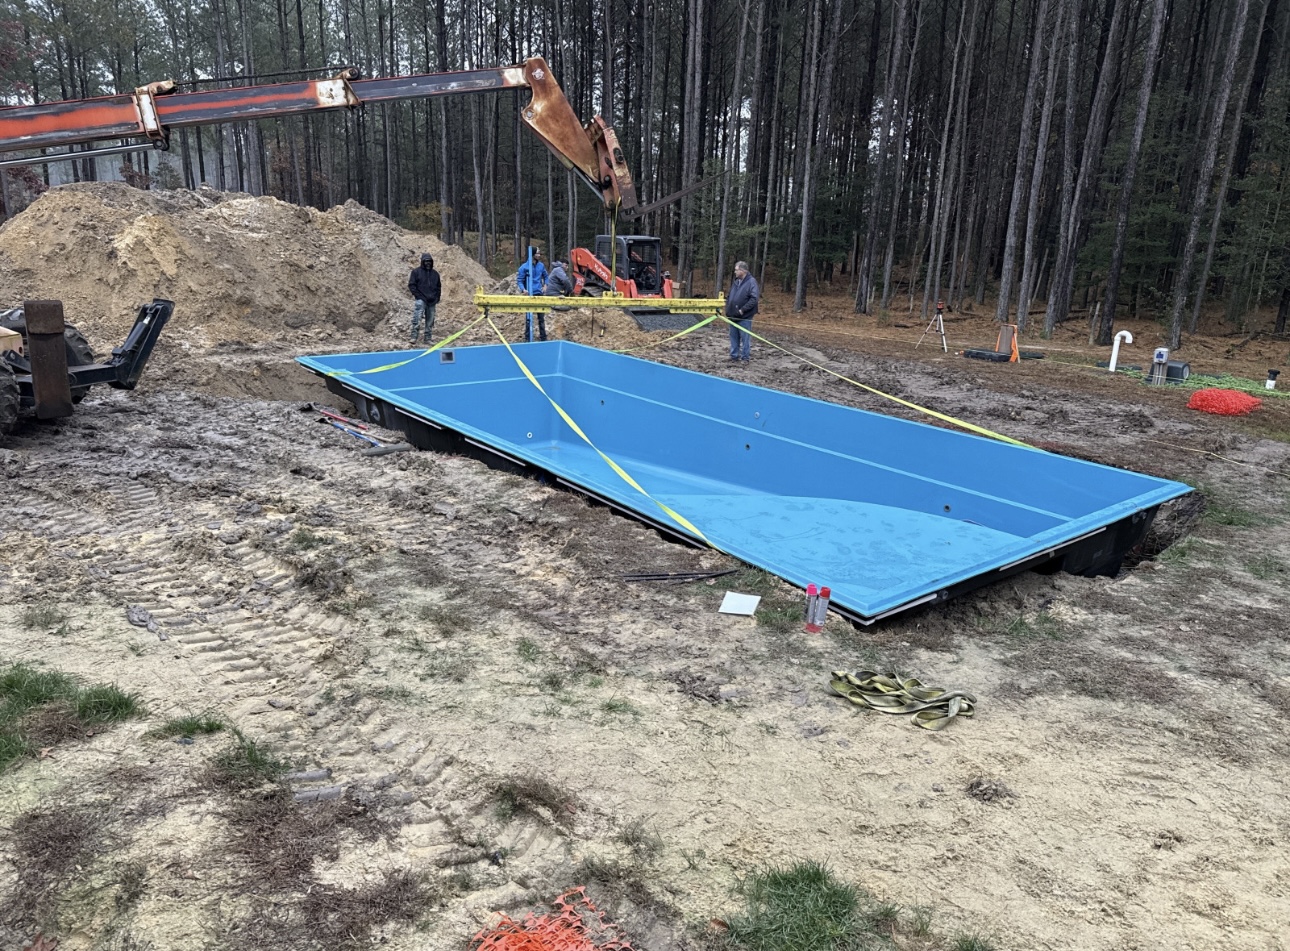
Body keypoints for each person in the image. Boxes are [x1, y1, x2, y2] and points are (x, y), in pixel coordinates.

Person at [725, 260, 760, 363]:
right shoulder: (736, 282)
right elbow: (730, 296)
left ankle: (745, 358)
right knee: (733, 337)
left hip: (744, 317)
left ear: (743, 271)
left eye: (736, 270)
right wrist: (728, 308)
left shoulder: (751, 282)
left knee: (745, 339)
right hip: (733, 316)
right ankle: (734, 356)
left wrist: (742, 310)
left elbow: (754, 299)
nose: (734, 272)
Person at [407, 252, 441, 345]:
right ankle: (413, 337)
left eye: (429, 261)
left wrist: (437, 297)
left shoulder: (435, 274)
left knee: (430, 321)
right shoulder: (416, 272)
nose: (428, 263)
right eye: (426, 261)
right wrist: (418, 296)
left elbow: (438, 287)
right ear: (422, 262)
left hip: (432, 301)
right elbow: (411, 285)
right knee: (417, 318)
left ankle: (428, 338)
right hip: (421, 299)